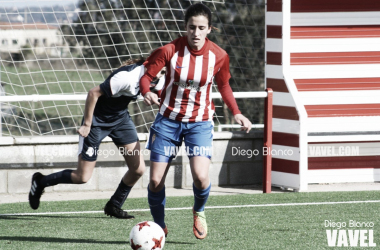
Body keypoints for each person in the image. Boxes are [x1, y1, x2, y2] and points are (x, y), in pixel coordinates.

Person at [139, 3, 252, 240]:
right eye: (192, 27)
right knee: (155, 179)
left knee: (201, 178)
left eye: (202, 28)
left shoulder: (219, 56)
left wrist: (237, 112)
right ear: (185, 27)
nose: (196, 33)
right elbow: (146, 77)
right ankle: (159, 226)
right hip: (168, 122)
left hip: (199, 123)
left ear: (209, 29)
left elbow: (223, 85)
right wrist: (146, 91)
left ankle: (199, 210)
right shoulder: (169, 50)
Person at [28, 57, 166, 220]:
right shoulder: (127, 78)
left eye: (163, 71)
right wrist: (87, 124)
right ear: (148, 64)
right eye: (158, 69)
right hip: (97, 121)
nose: (159, 74)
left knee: (138, 169)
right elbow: (93, 93)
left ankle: (114, 205)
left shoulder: (159, 79)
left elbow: (161, 93)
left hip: (120, 120)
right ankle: (41, 181)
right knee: (82, 177)